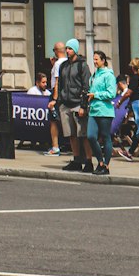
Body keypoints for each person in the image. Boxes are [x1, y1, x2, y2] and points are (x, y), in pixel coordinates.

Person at [56, 38, 93, 172]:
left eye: (70, 48)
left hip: (78, 103)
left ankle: (89, 161)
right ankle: (76, 159)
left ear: (75, 50)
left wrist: (83, 105)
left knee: (83, 134)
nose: (67, 51)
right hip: (65, 103)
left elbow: (86, 86)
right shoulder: (63, 65)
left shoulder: (82, 65)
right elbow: (60, 83)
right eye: (66, 48)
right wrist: (59, 100)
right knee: (71, 134)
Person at [87, 50, 117, 178]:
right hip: (93, 109)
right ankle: (100, 162)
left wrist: (96, 95)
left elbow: (111, 93)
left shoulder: (108, 75)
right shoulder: (94, 75)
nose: (94, 62)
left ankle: (106, 165)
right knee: (91, 136)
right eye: (93, 59)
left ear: (103, 60)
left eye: (97, 59)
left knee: (105, 137)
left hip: (105, 110)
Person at [46, 42, 66, 155]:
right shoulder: (66, 62)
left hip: (56, 93)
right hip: (65, 94)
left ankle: (55, 146)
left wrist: (54, 98)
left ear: (56, 51)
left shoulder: (58, 64)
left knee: (53, 120)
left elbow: (57, 81)